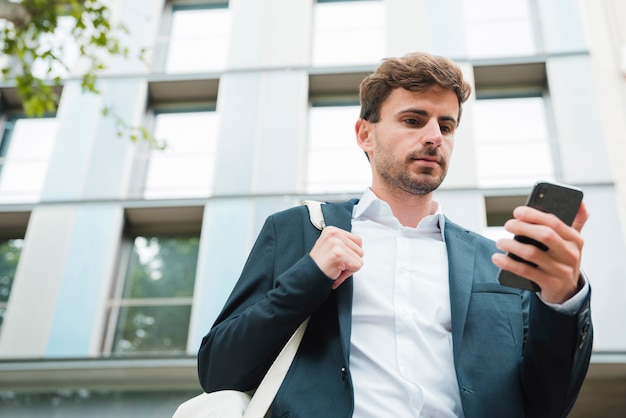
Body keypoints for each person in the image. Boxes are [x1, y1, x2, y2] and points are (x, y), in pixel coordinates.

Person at [197, 52, 593, 418]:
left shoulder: (495, 263)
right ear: (365, 135)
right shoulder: (301, 231)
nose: (435, 136)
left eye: (447, 125)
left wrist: (561, 301)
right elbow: (220, 370)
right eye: (413, 120)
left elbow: (547, 404)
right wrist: (309, 276)